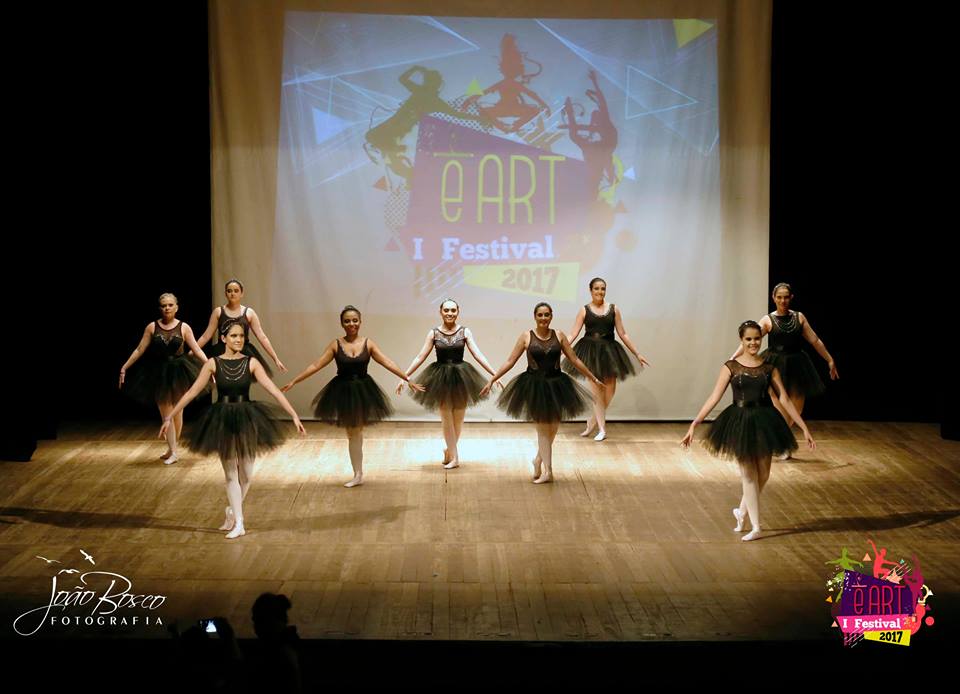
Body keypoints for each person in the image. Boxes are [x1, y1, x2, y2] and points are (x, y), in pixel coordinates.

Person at [161, 322, 305, 538]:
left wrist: (293, 414)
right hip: (222, 418)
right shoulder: (212, 363)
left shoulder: (251, 363)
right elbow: (191, 392)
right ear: (223, 338)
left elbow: (274, 390)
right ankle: (239, 522)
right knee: (230, 474)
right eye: (234, 336)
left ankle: (231, 510)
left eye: (241, 336)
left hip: (246, 417)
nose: (238, 340)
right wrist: (169, 417)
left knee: (246, 474)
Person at [681, 320, 815, 541]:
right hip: (740, 420)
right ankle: (756, 527)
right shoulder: (730, 367)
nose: (753, 343)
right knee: (749, 475)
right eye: (749, 339)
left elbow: (784, 398)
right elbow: (714, 397)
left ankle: (741, 511)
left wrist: (804, 427)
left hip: (765, 420)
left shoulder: (769, 368)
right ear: (741, 340)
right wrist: (695, 423)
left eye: (757, 339)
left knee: (764, 475)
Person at [282, 306, 424, 488]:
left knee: (356, 431)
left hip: (363, 390)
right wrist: (295, 381)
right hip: (343, 391)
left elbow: (387, 362)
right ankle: (358, 473)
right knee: (353, 432)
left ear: (360, 322)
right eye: (347, 321)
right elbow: (316, 365)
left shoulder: (368, 343)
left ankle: (358, 474)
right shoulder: (336, 344)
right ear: (342, 324)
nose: (351, 324)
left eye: (355, 320)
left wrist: (407, 379)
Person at [480, 302, 602, 484]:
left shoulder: (559, 335)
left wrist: (592, 376)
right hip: (535, 386)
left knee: (553, 428)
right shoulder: (526, 336)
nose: (543, 318)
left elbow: (574, 359)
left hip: (557, 385)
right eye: (540, 315)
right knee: (543, 429)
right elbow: (510, 361)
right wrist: (492, 379)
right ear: (535, 317)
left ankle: (538, 460)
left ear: (551, 316)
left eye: (547, 315)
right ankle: (548, 471)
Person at [730, 283, 838, 458]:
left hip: (797, 365)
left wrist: (829, 359)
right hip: (775, 364)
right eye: (779, 297)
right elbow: (750, 340)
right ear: (774, 298)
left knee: (797, 409)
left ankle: (776, 440)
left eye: (786, 297)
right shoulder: (767, 320)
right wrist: (734, 357)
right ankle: (781, 444)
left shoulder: (799, 317)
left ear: (791, 298)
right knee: (779, 409)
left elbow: (815, 340)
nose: (783, 300)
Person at [397, 299, 501, 469]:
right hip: (441, 378)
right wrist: (404, 376)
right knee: (446, 417)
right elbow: (420, 357)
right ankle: (455, 457)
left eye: (453, 310)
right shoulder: (433, 333)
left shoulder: (465, 331)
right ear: (440, 312)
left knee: (458, 418)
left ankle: (449, 450)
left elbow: (478, 354)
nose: (450, 313)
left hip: (461, 377)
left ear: (458, 311)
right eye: (446, 310)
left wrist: (495, 374)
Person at [120, 292, 208, 465]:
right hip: (159, 372)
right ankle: (173, 451)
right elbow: (139, 349)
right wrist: (125, 366)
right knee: (166, 414)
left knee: (178, 413)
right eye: (163, 305)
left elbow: (197, 349)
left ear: (176, 307)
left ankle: (172, 448)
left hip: (180, 371)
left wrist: (209, 366)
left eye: (170, 305)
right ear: (160, 308)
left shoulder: (184, 327)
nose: (167, 308)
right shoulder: (152, 327)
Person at [564, 277, 650, 440]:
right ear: (591, 290)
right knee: (597, 391)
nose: (600, 291)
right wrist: (562, 348)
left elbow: (623, 333)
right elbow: (573, 333)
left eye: (602, 288)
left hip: (610, 351)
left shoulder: (613, 309)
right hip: (590, 351)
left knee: (610, 390)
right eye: (596, 288)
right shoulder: (584, 310)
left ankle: (593, 421)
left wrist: (637, 353)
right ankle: (602, 429)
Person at [195, 278, 287, 377]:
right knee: (224, 381)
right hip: (222, 352)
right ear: (225, 293)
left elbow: (262, 337)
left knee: (240, 381)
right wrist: (193, 350)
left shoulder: (249, 313)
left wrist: (275, 358)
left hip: (243, 353)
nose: (232, 294)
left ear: (241, 293)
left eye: (236, 291)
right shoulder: (218, 312)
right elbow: (206, 336)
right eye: (229, 291)